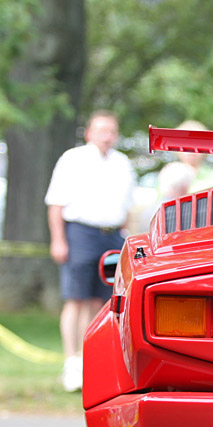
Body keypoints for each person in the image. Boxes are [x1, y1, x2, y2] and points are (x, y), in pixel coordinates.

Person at [45, 110, 136, 392]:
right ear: (89, 132)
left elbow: (128, 207)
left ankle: (90, 359)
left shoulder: (122, 163)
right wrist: (58, 239)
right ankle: (71, 360)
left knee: (101, 302)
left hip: (111, 236)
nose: (107, 135)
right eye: (101, 130)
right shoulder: (73, 159)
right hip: (80, 232)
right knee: (76, 298)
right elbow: (56, 203)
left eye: (111, 130)